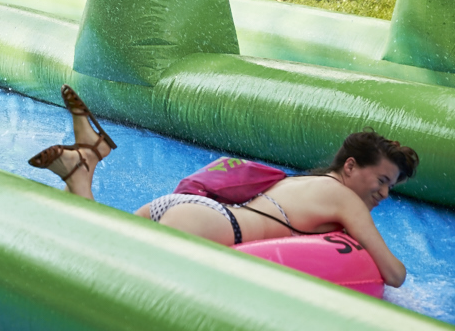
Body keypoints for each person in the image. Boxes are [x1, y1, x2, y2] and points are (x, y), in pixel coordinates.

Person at [29, 85, 416, 287]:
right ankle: (83, 171)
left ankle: (85, 167)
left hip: (188, 209)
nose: (383, 194)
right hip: (216, 225)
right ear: (351, 166)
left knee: (98, 250)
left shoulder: (306, 183)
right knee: (117, 279)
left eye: (391, 188)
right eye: (381, 181)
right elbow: (393, 273)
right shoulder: (344, 198)